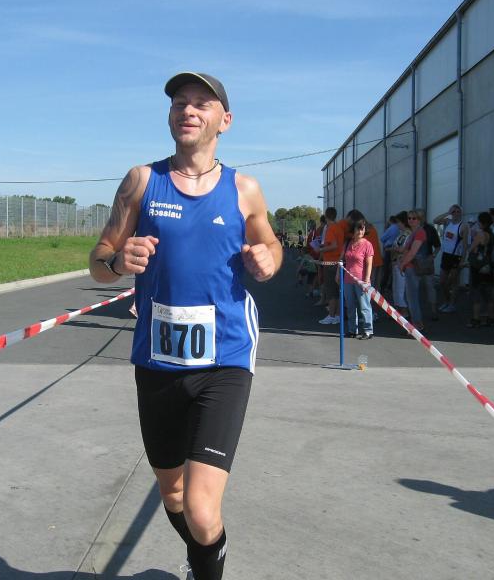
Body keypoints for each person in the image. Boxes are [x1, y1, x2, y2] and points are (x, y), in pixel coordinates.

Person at [89, 72, 282, 580]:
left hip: (225, 359)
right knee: (173, 493)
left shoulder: (244, 188)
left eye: (201, 103)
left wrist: (269, 259)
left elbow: (271, 244)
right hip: (157, 362)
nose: (188, 111)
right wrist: (117, 263)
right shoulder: (140, 181)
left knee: (200, 506)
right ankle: (203, 560)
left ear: (225, 120)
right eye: (179, 102)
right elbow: (98, 259)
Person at [341, 218, 374, 339]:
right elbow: (342, 260)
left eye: (362, 229)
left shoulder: (367, 244)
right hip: (347, 279)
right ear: (353, 230)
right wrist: (338, 274)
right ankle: (352, 330)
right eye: (358, 229)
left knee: (364, 306)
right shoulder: (348, 243)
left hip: (361, 280)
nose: (360, 231)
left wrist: (366, 280)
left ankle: (368, 330)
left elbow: (369, 264)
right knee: (350, 306)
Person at [433, 205, 469, 313]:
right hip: (446, 255)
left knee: (453, 281)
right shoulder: (447, 222)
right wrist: (447, 213)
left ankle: (452, 304)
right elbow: (435, 220)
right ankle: (447, 301)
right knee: (442, 282)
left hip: (456, 256)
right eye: (454, 212)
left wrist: (463, 260)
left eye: (458, 212)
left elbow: (465, 245)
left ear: (461, 213)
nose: (456, 213)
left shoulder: (463, 226)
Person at [464, 212, 494, 328]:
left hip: (478, 267)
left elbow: (471, 248)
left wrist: (469, 240)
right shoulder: (491, 234)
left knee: (476, 294)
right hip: (488, 266)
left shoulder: (481, 234)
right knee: (488, 295)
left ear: (482, 222)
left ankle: (476, 319)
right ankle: (490, 318)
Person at [399, 209, 428, 331]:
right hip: (410, 267)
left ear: (419, 220)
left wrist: (402, 264)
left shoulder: (419, 232)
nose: (411, 220)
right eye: (409, 218)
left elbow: (412, 252)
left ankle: (417, 325)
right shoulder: (413, 232)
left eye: (414, 218)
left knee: (412, 298)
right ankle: (416, 323)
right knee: (409, 297)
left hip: (413, 268)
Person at [318, 206, 344, 324]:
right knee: (338, 291)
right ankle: (337, 315)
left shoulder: (331, 228)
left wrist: (321, 250)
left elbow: (333, 245)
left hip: (330, 263)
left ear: (326, 216)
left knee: (331, 290)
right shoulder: (339, 227)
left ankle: (332, 315)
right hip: (338, 261)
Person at [390, 211, 411, 318]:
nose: (397, 224)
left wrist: (393, 249)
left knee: (400, 288)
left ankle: (404, 311)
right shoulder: (402, 233)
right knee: (396, 288)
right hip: (396, 263)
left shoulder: (407, 234)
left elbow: (402, 249)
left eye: (398, 222)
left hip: (401, 264)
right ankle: (399, 310)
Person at [380, 215, 399, 295]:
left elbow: (382, 238)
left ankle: (383, 286)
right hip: (396, 248)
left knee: (386, 268)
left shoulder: (391, 228)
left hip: (389, 249)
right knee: (393, 268)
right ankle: (391, 285)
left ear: (390, 221)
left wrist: (386, 228)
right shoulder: (399, 228)